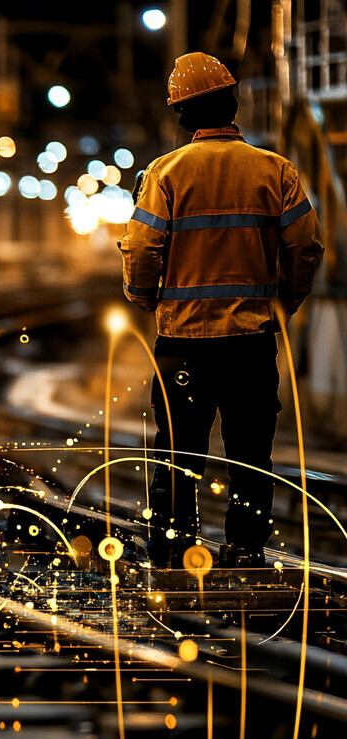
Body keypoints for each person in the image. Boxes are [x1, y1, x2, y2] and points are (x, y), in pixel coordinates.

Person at [119, 52, 324, 568]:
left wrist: (146, 299)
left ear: (182, 116)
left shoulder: (163, 174)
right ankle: (246, 550)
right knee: (251, 456)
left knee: (177, 453)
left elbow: (143, 251)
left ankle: (172, 549)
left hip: (182, 342)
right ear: (233, 103)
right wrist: (281, 305)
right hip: (250, 343)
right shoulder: (275, 171)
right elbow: (304, 249)